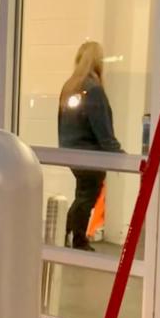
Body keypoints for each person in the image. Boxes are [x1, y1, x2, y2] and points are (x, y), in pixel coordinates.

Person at [57, 40, 122, 250]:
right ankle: (76, 238)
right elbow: (101, 126)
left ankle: (67, 233)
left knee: (82, 195)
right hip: (89, 154)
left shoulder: (70, 86)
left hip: (71, 152)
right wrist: (116, 153)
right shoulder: (93, 89)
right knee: (86, 197)